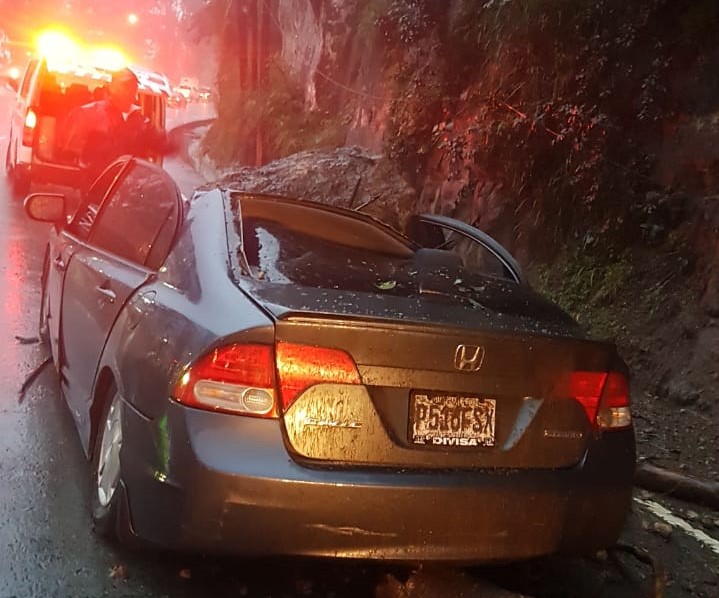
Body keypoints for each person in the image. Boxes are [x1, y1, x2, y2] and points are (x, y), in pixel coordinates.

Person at [60, 67, 173, 189]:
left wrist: (175, 140)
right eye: (125, 85)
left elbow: (163, 146)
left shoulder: (142, 122)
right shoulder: (88, 113)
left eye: (133, 85)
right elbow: (69, 149)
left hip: (128, 188)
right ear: (111, 87)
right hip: (94, 184)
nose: (129, 90)